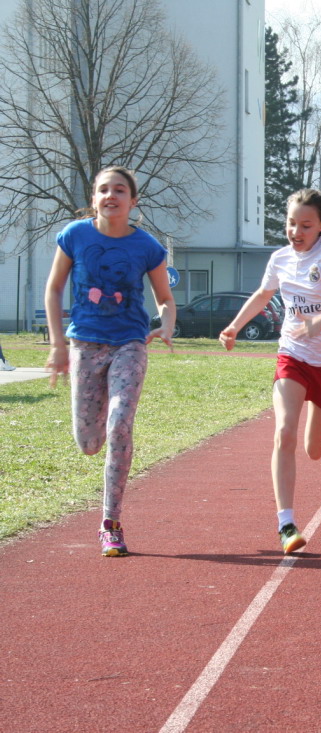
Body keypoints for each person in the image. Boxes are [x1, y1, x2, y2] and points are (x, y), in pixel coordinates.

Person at [220, 188, 321, 554]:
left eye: (305, 225)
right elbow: (262, 295)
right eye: (291, 223)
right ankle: (286, 524)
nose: (296, 232)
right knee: (284, 431)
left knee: (315, 450)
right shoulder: (280, 259)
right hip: (292, 354)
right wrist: (234, 327)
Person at [43, 165, 176, 557]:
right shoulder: (75, 235)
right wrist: (57, 345)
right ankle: (98, 429)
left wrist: (167, 324)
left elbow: (165, 299)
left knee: (119, 424)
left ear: (133, 201)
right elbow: (54, 289)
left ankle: (110, 523)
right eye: (104, 189)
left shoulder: (147, 246)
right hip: (85, 345)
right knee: (89, 443)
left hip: (129, 344)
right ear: (94, 198)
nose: (111, 196)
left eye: (120, 190)